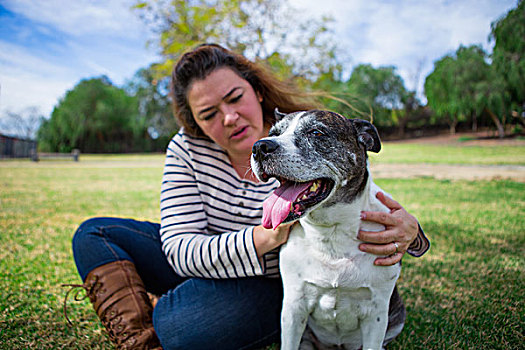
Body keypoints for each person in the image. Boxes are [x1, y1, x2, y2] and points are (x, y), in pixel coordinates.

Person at [68, 43, 430, 350]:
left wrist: (412, 232)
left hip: (265, 280)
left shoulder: (302, 137)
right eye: (208, 114)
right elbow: (178, 249)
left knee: (179, 327)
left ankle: (175, 308)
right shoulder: (187, 149)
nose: (228, 118)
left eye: (234, 97)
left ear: (255, 90)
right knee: (94, 234)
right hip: (206, 254)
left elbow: (357, 186)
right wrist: (263, 237)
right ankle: (140, 337)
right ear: (194, 122)